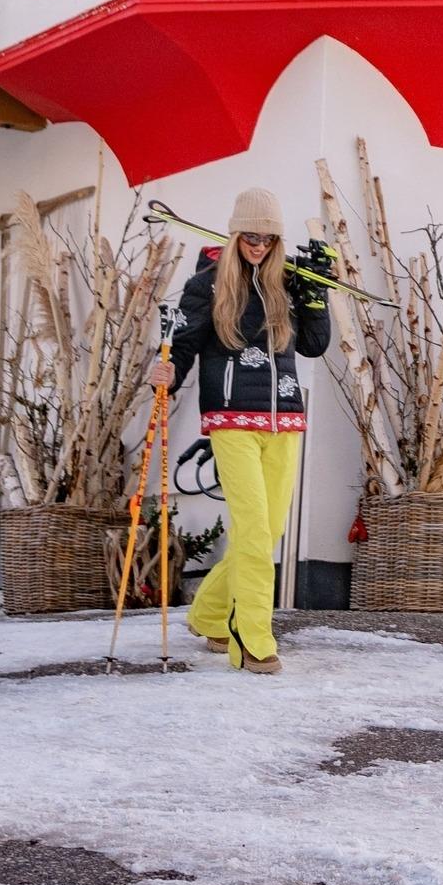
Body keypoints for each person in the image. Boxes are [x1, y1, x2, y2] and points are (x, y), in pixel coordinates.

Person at [156, 187, 329, 672]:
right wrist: (167, 374)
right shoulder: (207, 285)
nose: (259, 246)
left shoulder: (288, 283)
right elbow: (183, 345)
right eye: (251, 237)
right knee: (253, 529)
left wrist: (316, 294)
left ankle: (208, 614)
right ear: (235, 235)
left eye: (268, 239)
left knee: (267, 531)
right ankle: (252, 638)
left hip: (285, 418)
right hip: (231, 419)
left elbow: (314, 344)